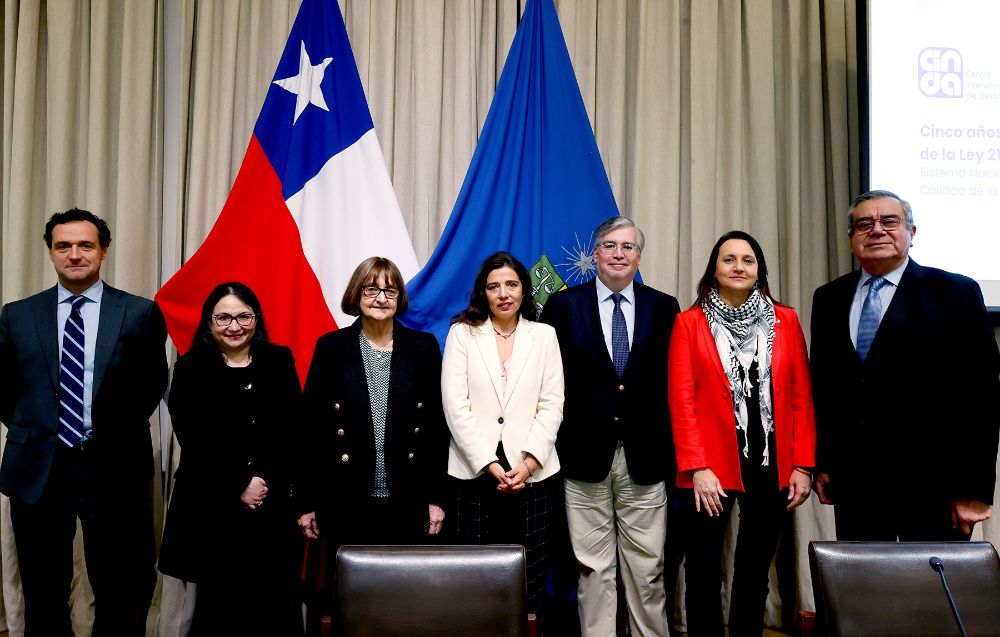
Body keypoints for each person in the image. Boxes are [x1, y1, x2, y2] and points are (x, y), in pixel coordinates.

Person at [0, 208, 168, 637]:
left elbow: (151, 386)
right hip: (39, 467)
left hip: (114, 468)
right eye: (64, 246)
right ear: (52, 254)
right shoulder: (17, 315)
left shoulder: (139, 313)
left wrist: (105, 433)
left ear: (103, 251)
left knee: (120, 590)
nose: (75, 254)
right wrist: (40, 428)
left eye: (85, 245)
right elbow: (5, 389)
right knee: (43, 590)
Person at [810, 189, 1000, 541]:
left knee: (932, 591)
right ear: (851, 238)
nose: (877, 230)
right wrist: (824, 463)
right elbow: (824, 387)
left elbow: (982, 397)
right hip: (856, 484)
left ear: (912, 233)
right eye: (864, 224)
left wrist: (974, 489)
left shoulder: (954, 292)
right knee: (863, 589)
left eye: (889, 221)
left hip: (935, 486)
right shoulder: (829, 298)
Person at [668, 231, 815, 637]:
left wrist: (802, 464)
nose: (738, 267)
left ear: (759, 270)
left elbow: (802, 396)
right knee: (701, 567)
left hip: (771, 465)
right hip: (709, 469)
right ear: (714, 269)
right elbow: (682, 401)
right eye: (728, 259)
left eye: (747, 260)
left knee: (754, 568)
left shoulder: (785, 320)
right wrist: (697, 467)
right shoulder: (689, 322)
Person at [540, 216, 679, 637]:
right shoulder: (563, 307)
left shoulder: (664, 307)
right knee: (592, 568)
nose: (620, 254)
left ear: (639, 256)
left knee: (647, 568)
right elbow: (548, 382)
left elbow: (674, 385)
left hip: (646, 457)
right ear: (595, 253)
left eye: (629, 247)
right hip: (583, 456)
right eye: (610, 246)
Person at [158, 282, 303, 635]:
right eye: (223, 317)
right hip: (214, 506)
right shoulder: (191, 367)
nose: (234, 326)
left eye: (243, 316)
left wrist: (265, 481)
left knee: (275, 605)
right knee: (219, 609)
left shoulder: (279, 360)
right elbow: (193, 437)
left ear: (257, 318)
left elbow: (294, 427)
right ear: (209, 322)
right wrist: (239, 484)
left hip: (273, 505)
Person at [442, 251, 564, 635]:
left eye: (511, 284)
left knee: (528, 574)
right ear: (483, 292)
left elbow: (552, 403)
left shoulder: (544, 335)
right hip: (476, 470)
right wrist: (490, 464)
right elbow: (455, 405)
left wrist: (527, 465)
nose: (503, 293)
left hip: (534, 472)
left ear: (524, 289)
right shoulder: (462, 333)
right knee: (476, 572)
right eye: (494, 286)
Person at [297, 256, 449, 546]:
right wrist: (306, 502)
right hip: (344, 498)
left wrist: (436, 499)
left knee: (403, 588)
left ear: (399, 298)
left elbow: (437, 431)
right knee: (348, 588)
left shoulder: (423, 348)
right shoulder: (331, 347)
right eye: (371, 289)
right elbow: (310, 430)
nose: (381, 298)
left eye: (390, 291)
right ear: (357, 293)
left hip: (408, 498)